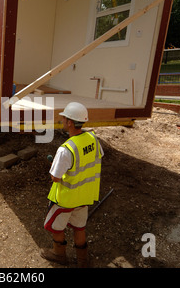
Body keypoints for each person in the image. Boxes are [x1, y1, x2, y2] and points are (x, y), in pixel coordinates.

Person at [40, 102, 104, 267]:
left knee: (57, 227)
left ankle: (59, 254)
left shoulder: (66, 149)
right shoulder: (93, 139)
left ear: (69, 122)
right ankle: (83, 260)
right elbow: (96, 158)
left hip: (66, 199)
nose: (62, 120)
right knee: (79, 226)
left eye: (64, 118)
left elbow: (55, 177)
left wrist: (55, 166)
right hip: (85, 196)